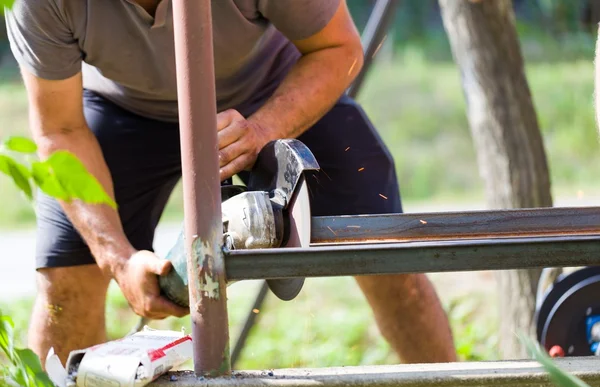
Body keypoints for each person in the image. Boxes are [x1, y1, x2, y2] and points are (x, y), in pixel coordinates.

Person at [5, 0, 457, 366]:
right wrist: (118, 260)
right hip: (124, 110)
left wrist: (262, 131)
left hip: (271, 90)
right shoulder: (39, 3)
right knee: (65, 287)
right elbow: (60, 130)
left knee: (392, 258)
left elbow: (340, 48)